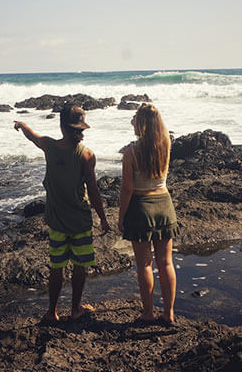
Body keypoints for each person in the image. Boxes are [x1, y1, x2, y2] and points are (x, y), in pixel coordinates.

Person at [13, 105, 111, 323]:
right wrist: (103, 218)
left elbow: (32, 137)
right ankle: (75, 309)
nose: (80, 133)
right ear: (72, 128)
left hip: (57, 221)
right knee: (79, 266)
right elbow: (93, 190)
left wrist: (23, 125)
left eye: (80, 129)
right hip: (79, 221)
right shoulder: (86, 154)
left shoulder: (50, 146)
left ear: (61, 126)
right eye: (78, 129)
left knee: (57, 267)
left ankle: (52, 311)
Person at [119, 103, 179, 325]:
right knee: (166, 263)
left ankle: (148, 312)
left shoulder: (131, 153)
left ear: (141, 123)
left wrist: (121, 216)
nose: (132, 123)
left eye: (134, 119)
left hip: (141, 208)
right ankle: (169, 313)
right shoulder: (166, 144)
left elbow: (127, 189)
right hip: (164, 205)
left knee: (145, 264)